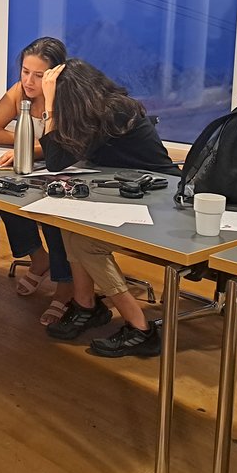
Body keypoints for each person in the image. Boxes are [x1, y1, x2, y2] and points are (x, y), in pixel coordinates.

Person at [36, 59, 180, 357]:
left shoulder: (114, 112)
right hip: (129, 193)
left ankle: (140, 328)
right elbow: (60, 157)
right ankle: (86, 306)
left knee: (86, 243)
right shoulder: (100, 109)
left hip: (161, 198)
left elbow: (54, 161)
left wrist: (50, 104)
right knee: (69, 227)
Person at [0, 37, 74, 325]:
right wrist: (31, 146)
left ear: (54, 74)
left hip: (69, 171)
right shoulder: (20, 93)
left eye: (38, 75)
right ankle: (37, 258)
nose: (29, 81)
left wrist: (27, 149)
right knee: (7, 195)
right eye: (24, 71)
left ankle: (65, 287)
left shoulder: (66, 97)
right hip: (34, 168)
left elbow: (66, 146)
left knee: (52, 213)